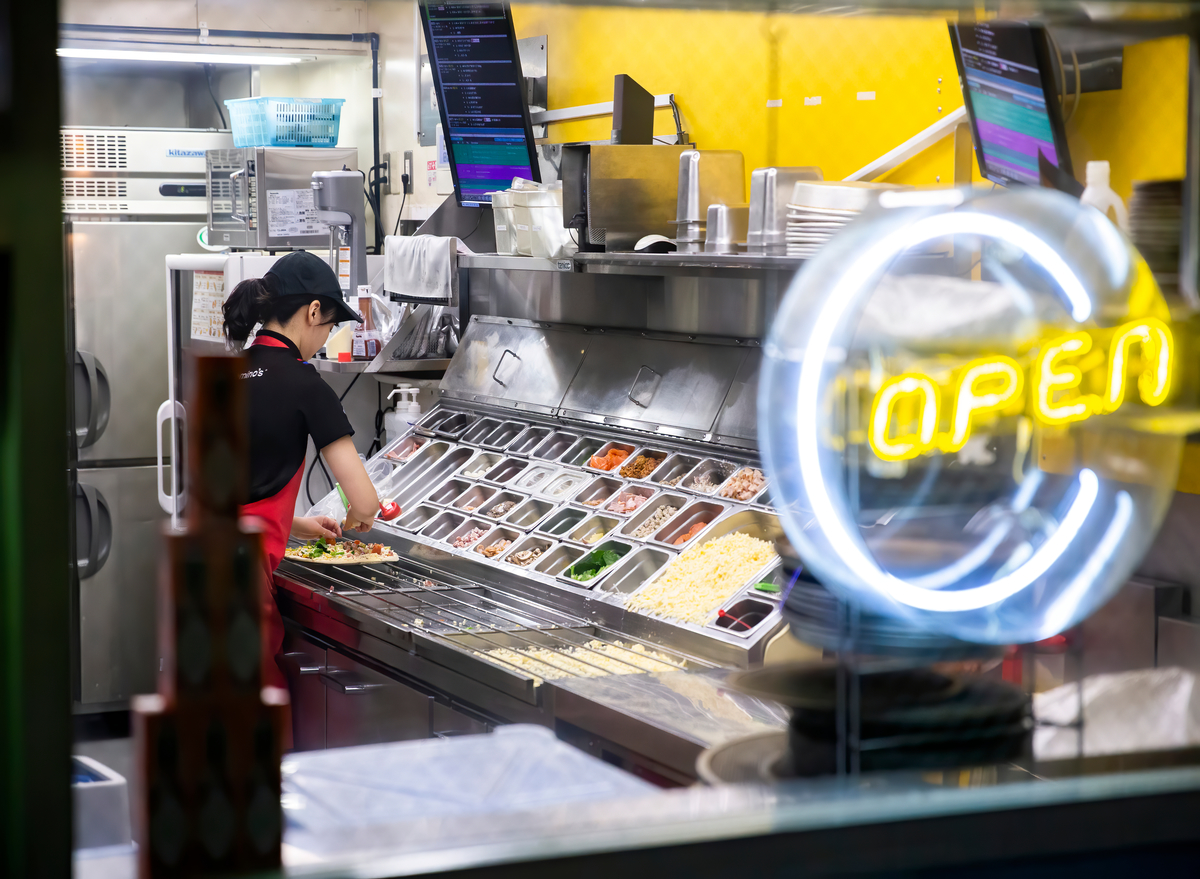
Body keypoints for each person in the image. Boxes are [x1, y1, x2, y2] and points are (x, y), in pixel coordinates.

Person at [222, 250, 381, 692]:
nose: (327, 337)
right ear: (313, 311)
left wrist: (297, 525)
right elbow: (365, 503)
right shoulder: (305, 384)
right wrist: (357, 521)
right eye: (330, 325)